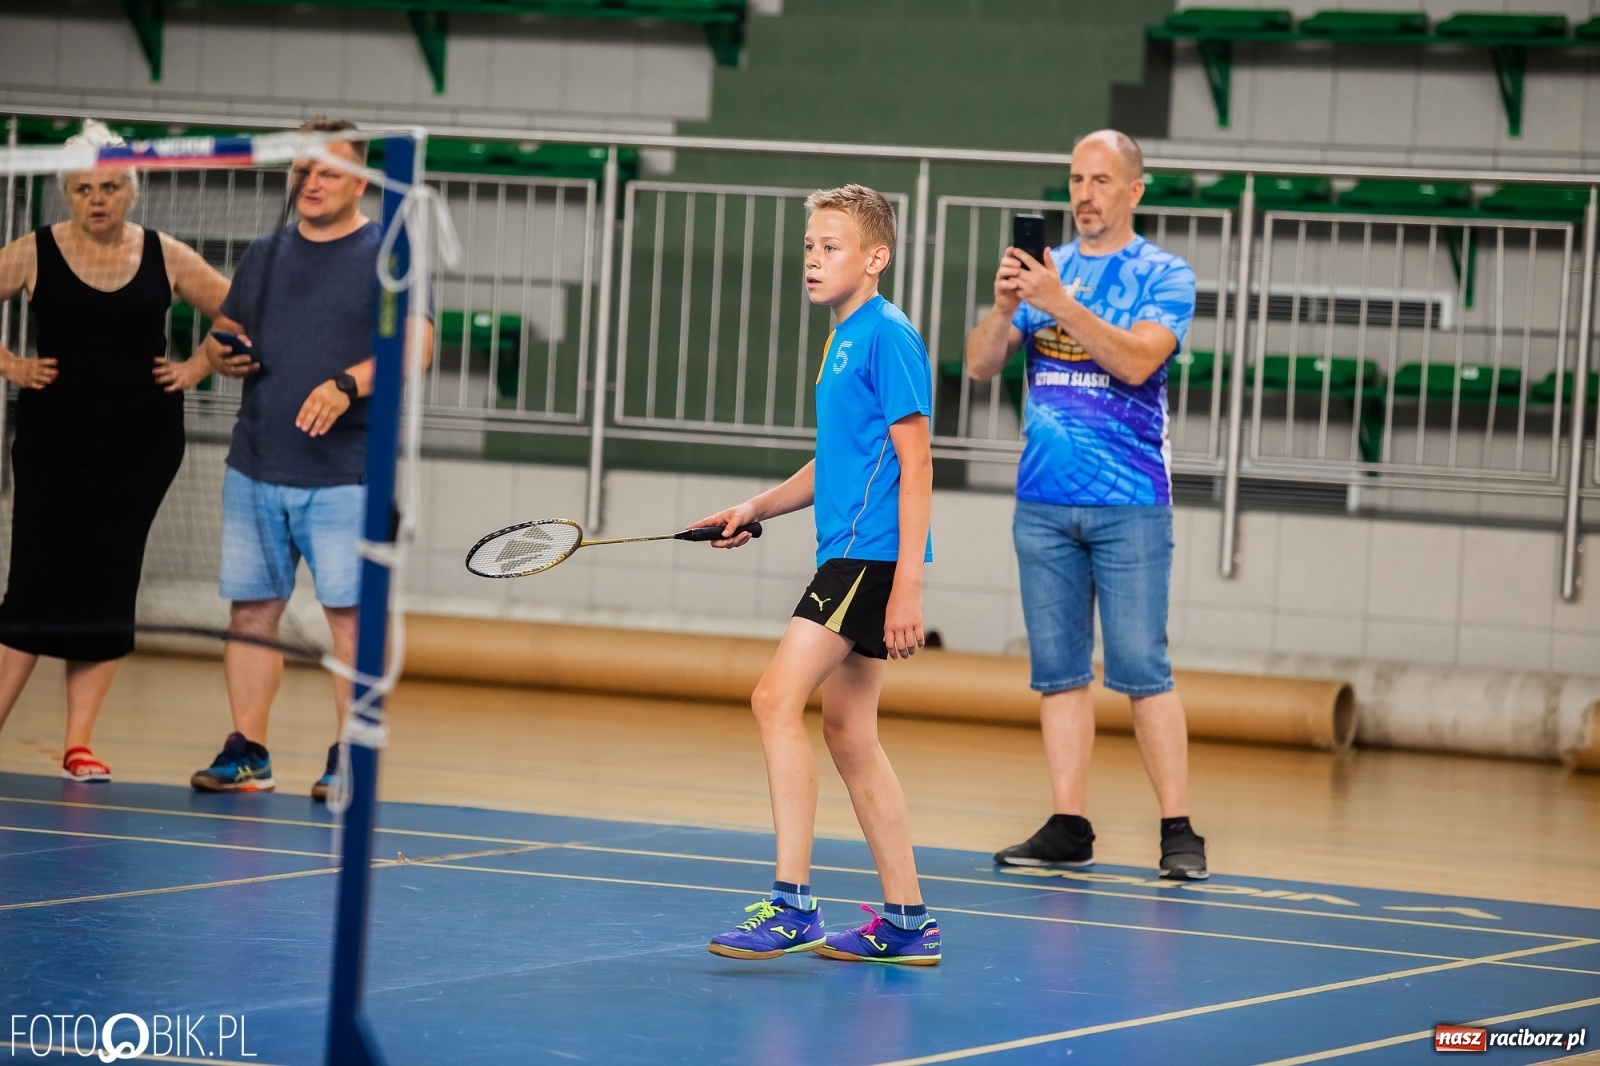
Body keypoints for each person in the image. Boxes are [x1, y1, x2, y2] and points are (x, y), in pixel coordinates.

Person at [697, 184, 941, 966]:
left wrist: (907, 584)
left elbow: (917, 462)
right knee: (848, 733)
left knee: (773, 699)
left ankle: (794, 903)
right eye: (809, 246)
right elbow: (838, 459)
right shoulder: (844, 339)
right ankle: (906, 921)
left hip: (867, 558)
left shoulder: (887, 336)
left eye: (830, 247)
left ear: (876, 258)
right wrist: (758, 506)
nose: (813, 258)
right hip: (850, 551)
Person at [964, 130, 1209, 880]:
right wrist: (1008, 309)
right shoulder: (1044, 272)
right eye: (1076, 179)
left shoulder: (1166, 274)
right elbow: (979, 366)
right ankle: (1069, 823)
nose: (1085, 194)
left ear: (1135, 190)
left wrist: (1060, 304)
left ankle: (1178, 828)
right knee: (1058, 672)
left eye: (1102, 180)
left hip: (1132, 501)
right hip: (1043, 502)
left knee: (1142, 666)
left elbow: (1137, 361)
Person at [189, 117, 433, 801]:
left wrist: (347, 382)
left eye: (327, 169)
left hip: (346, 474)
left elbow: (417, 348)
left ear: (360, 180)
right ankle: (248, 752)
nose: (311, 180)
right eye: (302, 168)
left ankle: (350, 755)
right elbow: (226, 335)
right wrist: (223, 355)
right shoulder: (265, 254)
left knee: (349, 619)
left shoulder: (389, 250)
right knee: (251, 614)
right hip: (256, 465)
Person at [0, 119, 230, 781]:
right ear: (66, 195)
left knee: (107, 585)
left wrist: (196, 366)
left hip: (140, 446)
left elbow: (239, 311)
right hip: (52, 441)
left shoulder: (166, 253)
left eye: (107, 187)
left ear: (131, 190)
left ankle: (78, 744)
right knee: (36, 583)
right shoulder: (34, 251)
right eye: (81, 189)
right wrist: (11, 365)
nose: (95, 199)